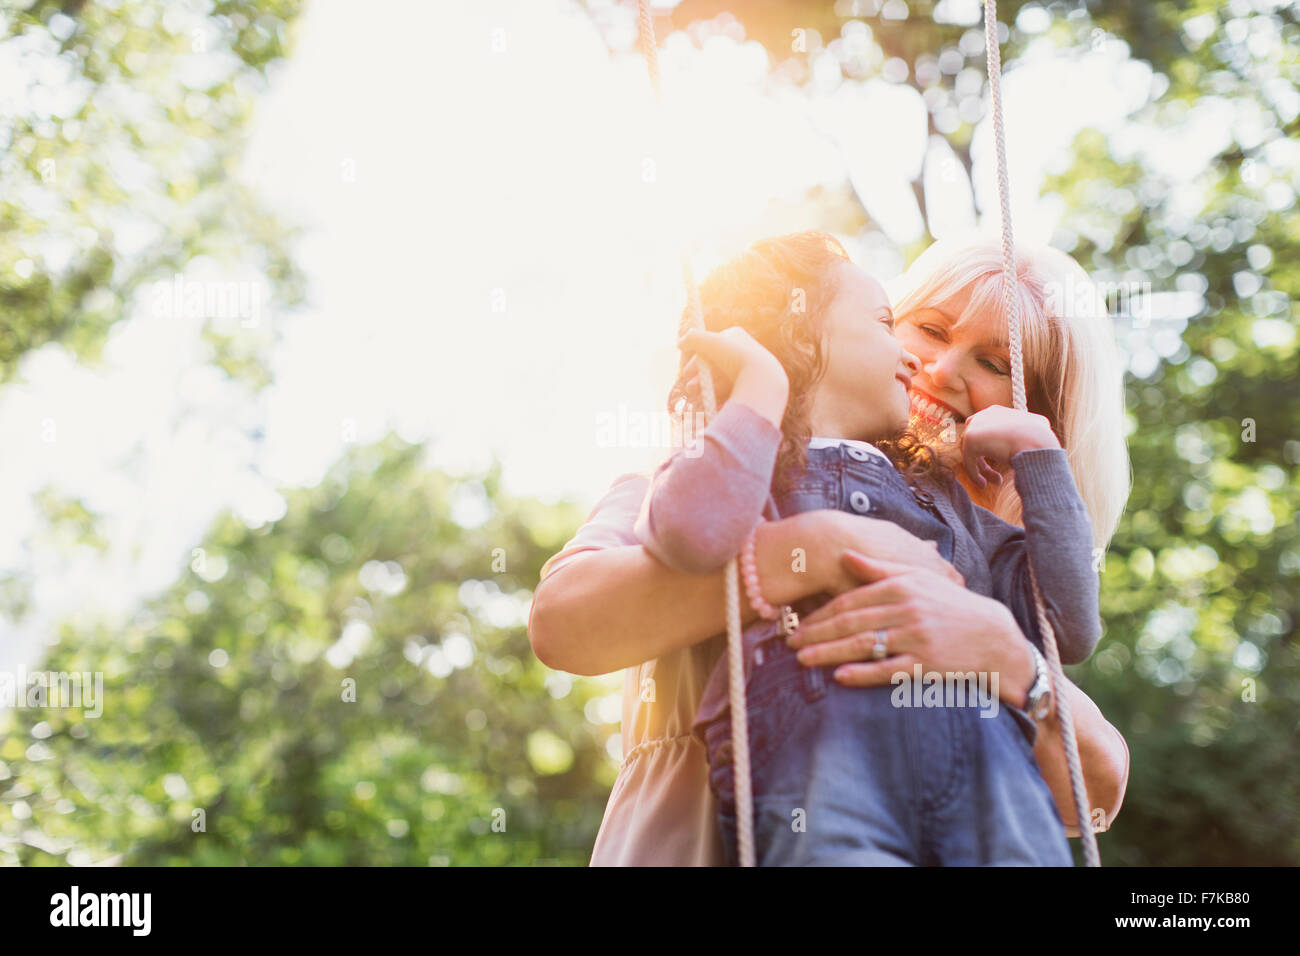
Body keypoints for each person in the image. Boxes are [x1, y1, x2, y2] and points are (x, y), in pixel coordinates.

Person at [528, 231, 1132, 866]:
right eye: (927, 328)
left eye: (995, 364)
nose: (944, 370)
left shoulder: (981, 567)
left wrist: (1018, 667)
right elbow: (564, 624)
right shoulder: (699, 480)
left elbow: (1096, 788)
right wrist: (812, 549)